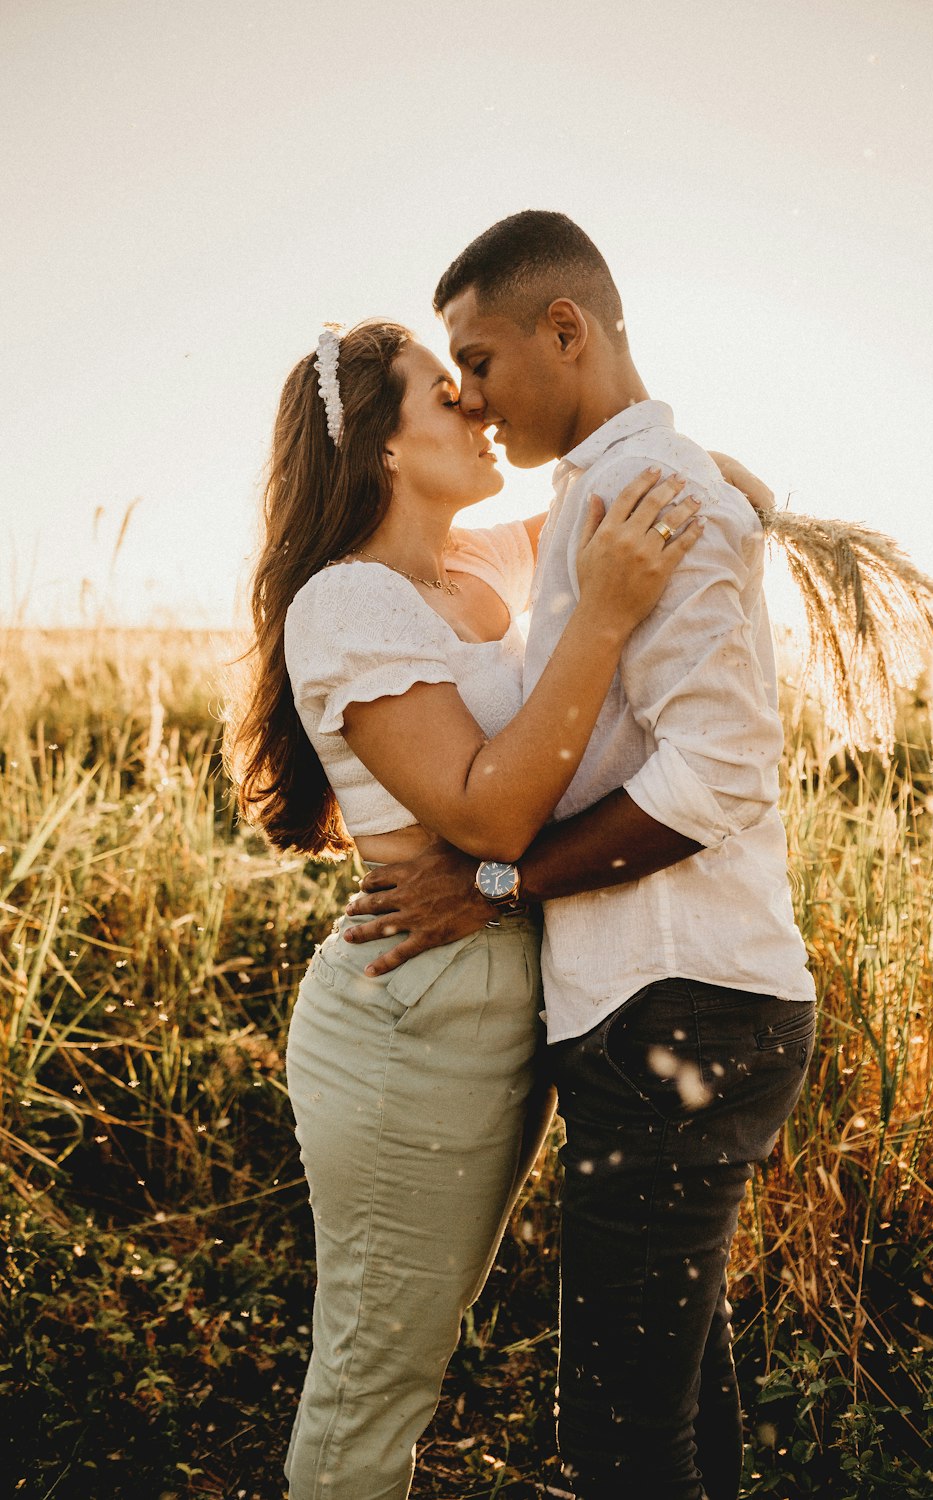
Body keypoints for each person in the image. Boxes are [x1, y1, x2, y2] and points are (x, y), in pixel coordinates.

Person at [339, 213, 820, 1500]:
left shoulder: (646, 499)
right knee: (670, 1406)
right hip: (662, 1012)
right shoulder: (602, 499)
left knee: (620, 1440)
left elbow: (717, 773)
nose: (472, 397)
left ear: (569, 330)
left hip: (684, 1009)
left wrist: (499, 878)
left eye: (481, 359)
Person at [224, 315, 724, 1499]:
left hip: (500, 990)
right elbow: (488, 820)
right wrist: (599, 615)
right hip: (414, 1014)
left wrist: (715, 492)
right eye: (446, 396)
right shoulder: (344, 606)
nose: (478, 409)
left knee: (417, 1352)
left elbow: (655, 492)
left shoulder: (475, 564)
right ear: (388, 451)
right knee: (373, 1376)